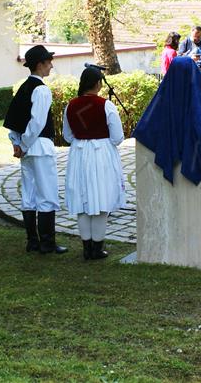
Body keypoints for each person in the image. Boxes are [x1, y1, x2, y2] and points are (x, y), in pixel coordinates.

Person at [3, 45, 68, 254]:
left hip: (27, 148)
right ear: (40, 64)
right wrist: (21, 144)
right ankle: (47, 243)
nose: (51, 65)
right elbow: (37, 122)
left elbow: (13, 120)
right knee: (47, 192)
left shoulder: (23, 88)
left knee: (29, 193)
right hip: (38, 147)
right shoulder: (41, 89)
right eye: (48, 61)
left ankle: (32, 241)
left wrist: (17, 142)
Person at [62, 66, 126, 260]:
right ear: (98, 83)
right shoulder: (106, 105)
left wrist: (83, 140)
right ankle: (97, 248)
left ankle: (86, 247)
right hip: (101, 155)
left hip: (79, 154)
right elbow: (117, 137)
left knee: (82, 201)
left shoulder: (70, 105)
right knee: (101, 199)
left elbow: (67, 136)